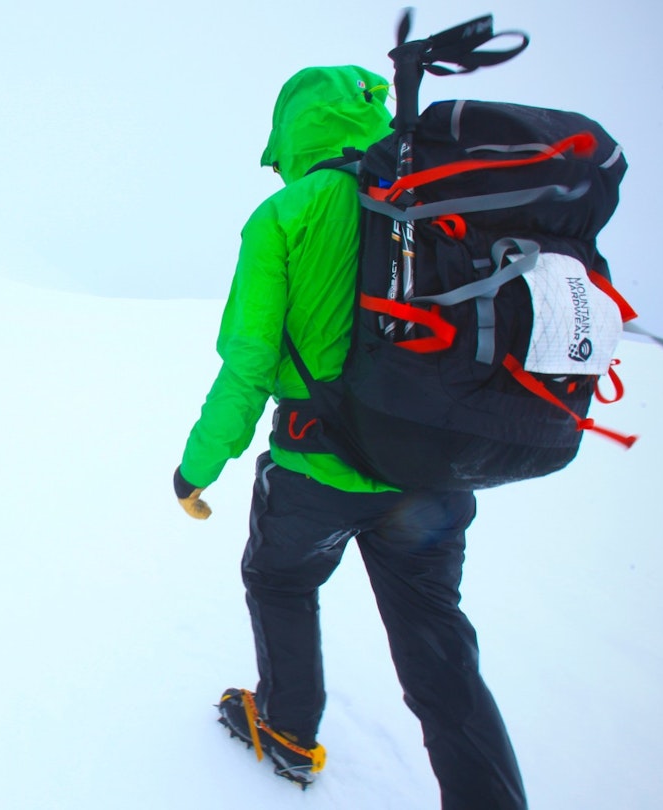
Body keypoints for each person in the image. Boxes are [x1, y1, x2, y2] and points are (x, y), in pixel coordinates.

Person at [172, 65, 528, 809]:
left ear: (296, 132)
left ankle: (288, 730)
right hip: (431, 475)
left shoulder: (287, 214)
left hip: (316, 474)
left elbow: (248, 364)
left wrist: (198, 466)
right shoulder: (433, 196)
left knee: (281, 579)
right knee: (438, 648)